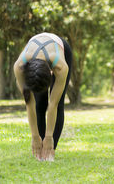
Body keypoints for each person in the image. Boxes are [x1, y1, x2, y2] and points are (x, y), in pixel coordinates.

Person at [14, 32, 72, 161]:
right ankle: (39, 150)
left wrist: (49, 136)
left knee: (58, 102)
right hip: (35, 48)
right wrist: (35, 136)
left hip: (60, 46)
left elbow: (53, 105)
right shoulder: (19, 67)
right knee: (40, 104)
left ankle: (50, 150)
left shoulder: (61, 67)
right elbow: (29, 103)